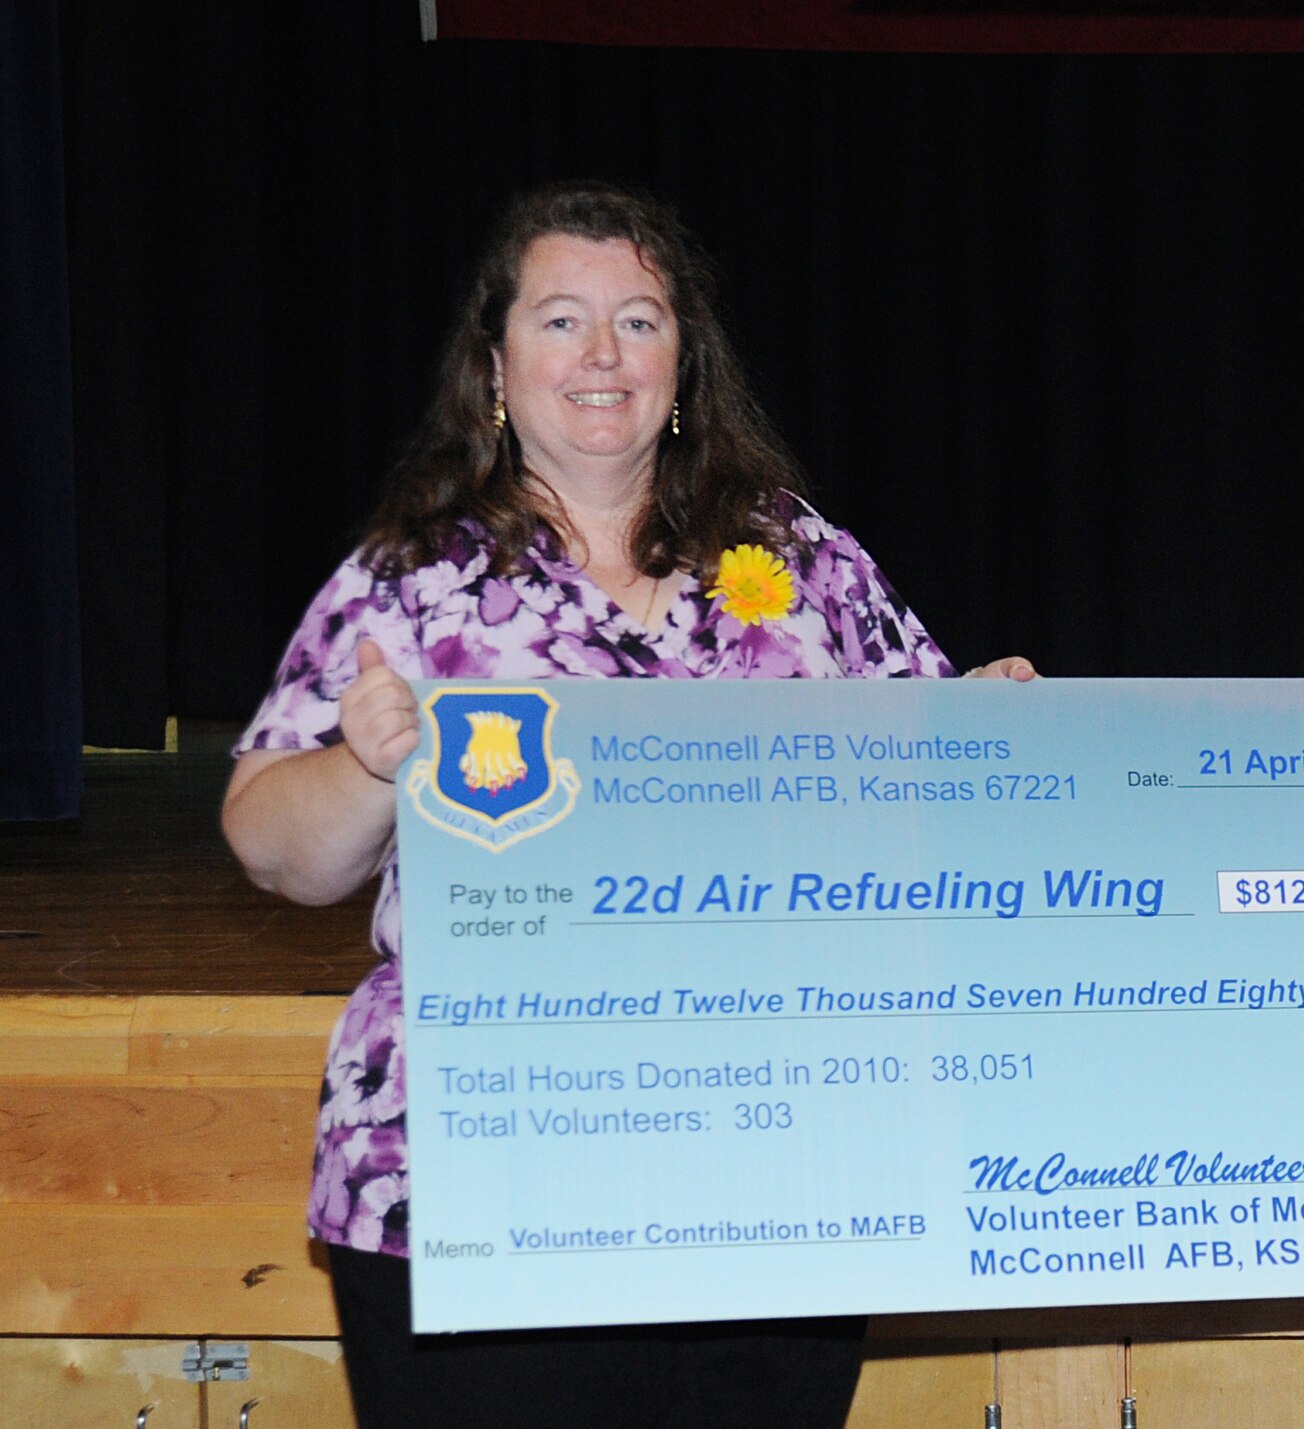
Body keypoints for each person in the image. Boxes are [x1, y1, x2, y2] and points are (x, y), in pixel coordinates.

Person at [223, 180, 1032, 1429]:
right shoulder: (413, 577)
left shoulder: (804, 561)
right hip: (477, 1173)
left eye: (639, 322)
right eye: (560, 320)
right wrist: (363, 766)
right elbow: (278, 853)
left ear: (683, 364)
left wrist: (985, 732)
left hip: (778, 1168)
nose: (601, 353)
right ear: (495, 366)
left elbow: (929, 789)